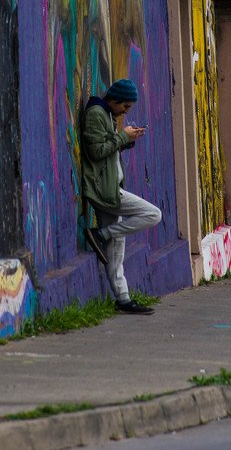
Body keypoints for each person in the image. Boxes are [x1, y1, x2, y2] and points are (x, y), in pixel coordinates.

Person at [81, 78, 161, 315]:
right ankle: (100, 233)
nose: (125, 112)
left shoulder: (106, 114)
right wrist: (123, 137)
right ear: (114, 100)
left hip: (108, 185)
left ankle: (123, 298)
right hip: (104, 188)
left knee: (117, 249)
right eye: (124, 107)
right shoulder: (96, 113)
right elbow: (96, 152)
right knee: (153, 214)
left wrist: (128, 139)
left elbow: (107, 148)